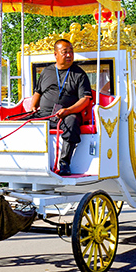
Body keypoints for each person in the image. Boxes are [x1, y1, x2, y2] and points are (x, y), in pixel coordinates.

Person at [26, 39, 91, 176]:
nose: (69, 55)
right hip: (45, 114)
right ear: (56, 54)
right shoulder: (46, 72)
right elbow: (38, 92)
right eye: (65, 52)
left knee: (72, 122)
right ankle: (25, 163)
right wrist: (32, 107)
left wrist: (68, 110)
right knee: (21, 123)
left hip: (68, 114)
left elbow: (85, 99)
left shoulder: (79, 74)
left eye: (71, 52)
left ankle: (64, 163)